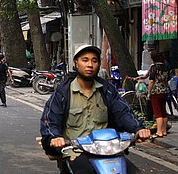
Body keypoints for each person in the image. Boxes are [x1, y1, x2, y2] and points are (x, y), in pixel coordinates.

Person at [40, 45, 150, 173]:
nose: (90, 65)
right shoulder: (63, 93)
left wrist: (138, 128)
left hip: (108, 150)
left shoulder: (107, 90)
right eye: (85, 60)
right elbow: (50, 120)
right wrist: (55, 137)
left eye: (94, 60)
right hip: (76, 151)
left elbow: (123, 113)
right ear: (76, 63)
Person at [128, 52, 171, 138]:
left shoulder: (154, 67)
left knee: (157, 112)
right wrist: (138, 78)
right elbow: (146, 76)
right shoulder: (166, 67)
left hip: (156, 92)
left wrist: (149, 92)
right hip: (165, 91)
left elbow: (151, 80)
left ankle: (159, 132)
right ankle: (164, 130)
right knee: (163, 112)